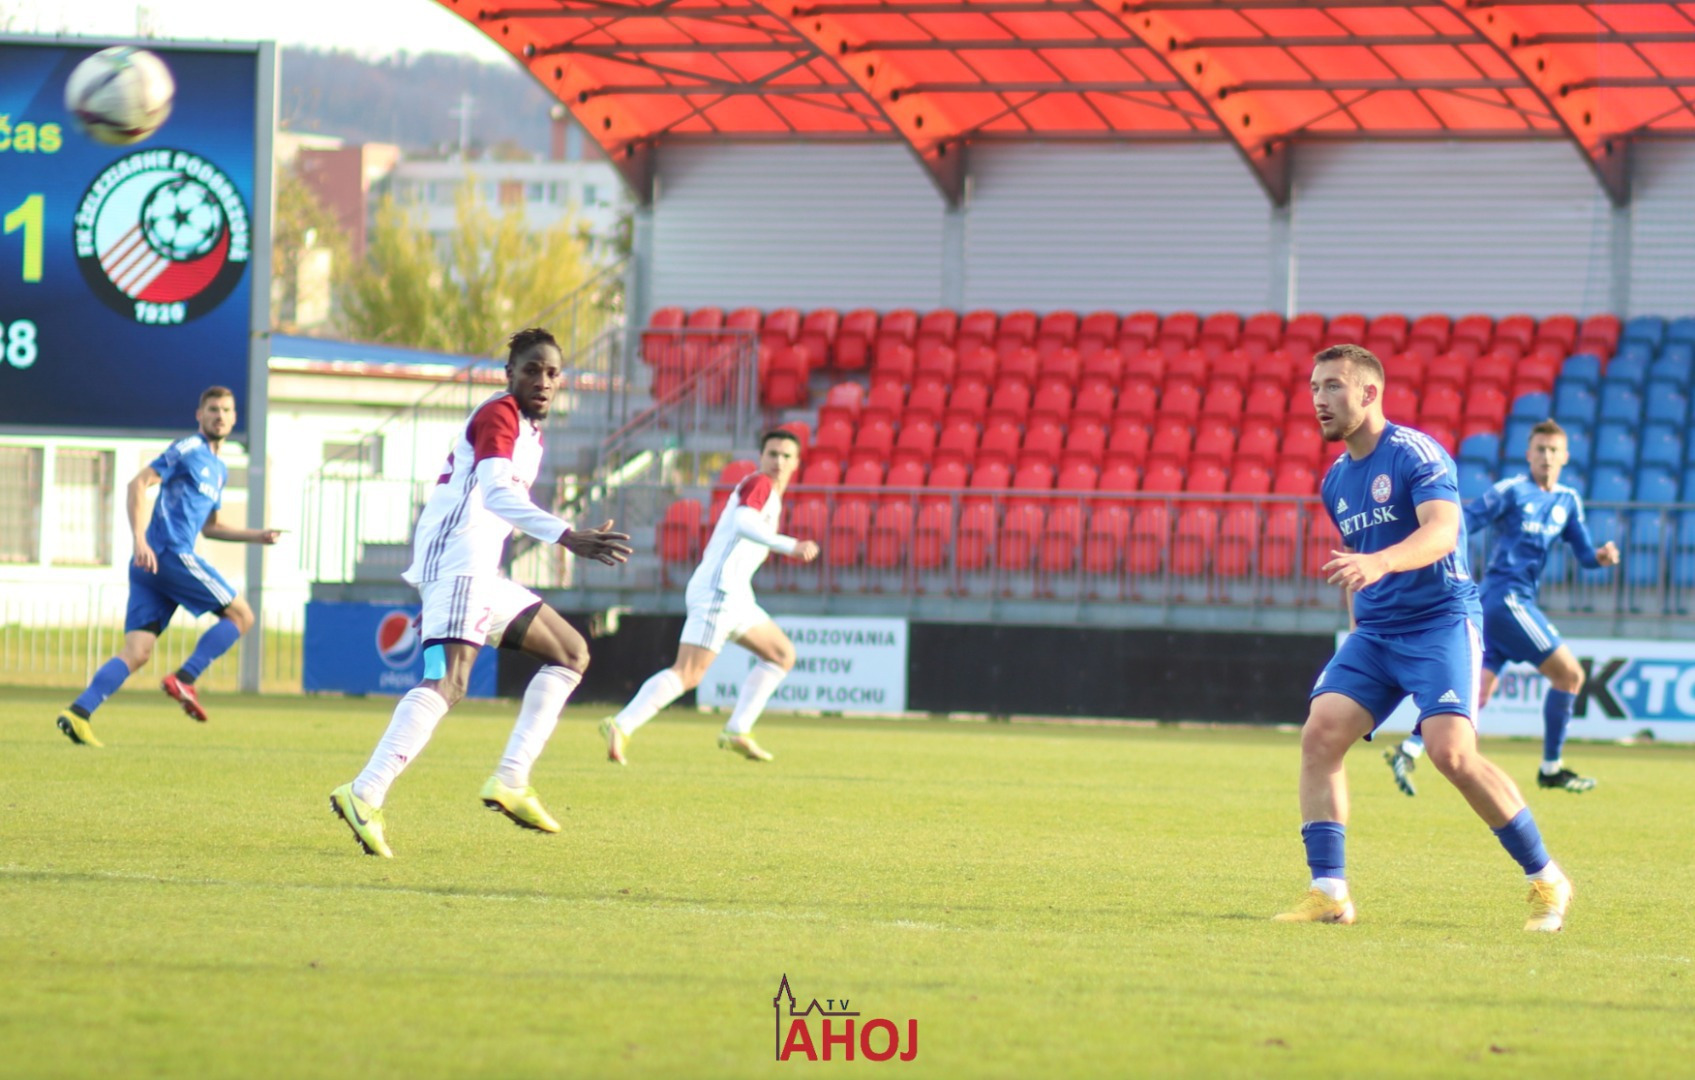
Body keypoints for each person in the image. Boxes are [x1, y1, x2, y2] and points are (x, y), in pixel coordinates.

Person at [1276, 345, 1572, 932]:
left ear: (1369, 393)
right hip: (1376, 633)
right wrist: (1358, 624)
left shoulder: (1415, 452)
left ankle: (1546, 878)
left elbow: (1443, 532)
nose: (1318, 399)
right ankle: (1329, 892)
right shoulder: (1335, 480)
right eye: (1314, 388)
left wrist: (1380, 562)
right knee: (1320, 734)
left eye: (1333, 386)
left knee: (1450, 754)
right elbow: (1356, 562)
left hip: (1440, 621)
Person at [329, 328, 632, 858]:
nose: (543, 381)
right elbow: (493, 494)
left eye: (552, 373)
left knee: (571, 653)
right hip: (459, 565)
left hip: (473, 571)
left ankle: (511, 778)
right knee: (449, 681)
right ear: (508, 374)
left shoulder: (529, 432)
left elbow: (488, 505)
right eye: (531, 370)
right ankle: (365, 792)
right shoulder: (500, 415)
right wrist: (567, 536)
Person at [1384, 419, 1618, 796]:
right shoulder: (1511, 491)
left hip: (1511, 603)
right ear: (1528, 454)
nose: (1546, 457)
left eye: (1553, 450)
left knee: (1475, 695)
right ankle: (1551, 768)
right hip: (1505, 599)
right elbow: (1462, 523)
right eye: (1540, 449)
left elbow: (1585, 554)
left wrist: (1601, 557)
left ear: (1565, 457)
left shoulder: (1568, 501)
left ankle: (1409, 749)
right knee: (1570, 675)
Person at [56, 386, 282, 747]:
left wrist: (257, 535)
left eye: (226, 410)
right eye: (213, 409)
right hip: (168, 554)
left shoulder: (219, 470)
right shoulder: (189, 448)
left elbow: (211, 527)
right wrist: (139, 538)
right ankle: (185, 678)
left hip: (152, 567)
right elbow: (138, 483)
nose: (220, 416)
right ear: (199, 415)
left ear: (234, 418)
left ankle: (79, 712)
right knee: (242, 616)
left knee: (137, 652)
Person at [598, 430, 820, 765]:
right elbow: (744, 522)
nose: (778, 461)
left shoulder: (772, 496)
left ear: (797, 463)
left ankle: (738, 730)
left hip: (737, 595)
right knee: (688, 673)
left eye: (786, 456)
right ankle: (621, 724)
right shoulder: (759, 483)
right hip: (719, 590)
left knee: (781, 655)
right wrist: (791, 545)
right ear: (761, 457)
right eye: (772, 454)